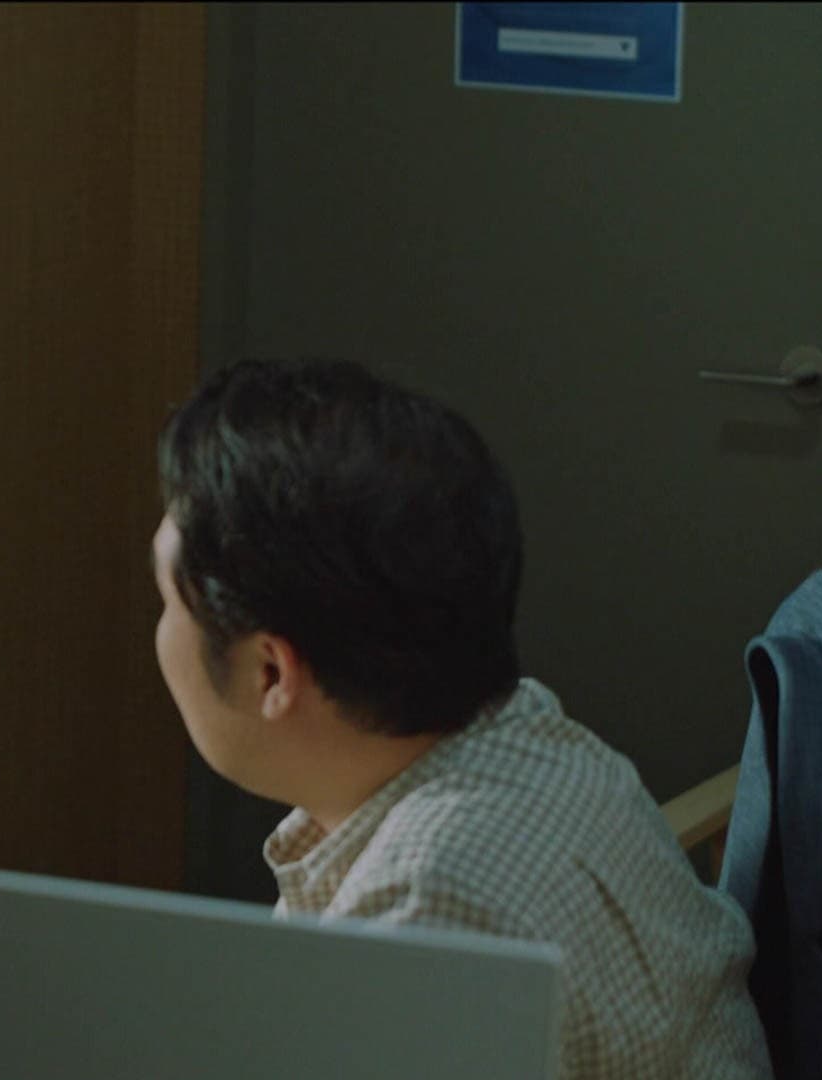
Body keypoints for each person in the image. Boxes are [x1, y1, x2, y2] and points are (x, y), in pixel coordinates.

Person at [149, 357, 772, 1077]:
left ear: (270, 673)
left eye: (165, 602)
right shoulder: (522, 725)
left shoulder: (424, 915)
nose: (159, 629)